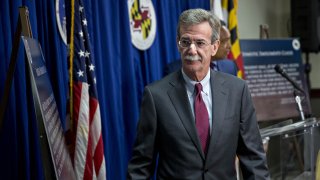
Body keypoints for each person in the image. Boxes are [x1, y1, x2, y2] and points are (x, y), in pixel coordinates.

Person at [127, 8, 270, 179]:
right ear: (178, 43)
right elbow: (141, 167)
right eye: (185, 42)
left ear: (214, 47)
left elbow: (254, 160)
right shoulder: (156, 96)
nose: (192, 50)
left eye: (200, 43)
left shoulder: (237, 91)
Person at [163, 20, 238, 76]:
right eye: (224, 41)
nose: (229, 46)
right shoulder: (173, 70)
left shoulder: (231, 67)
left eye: (229, 40)